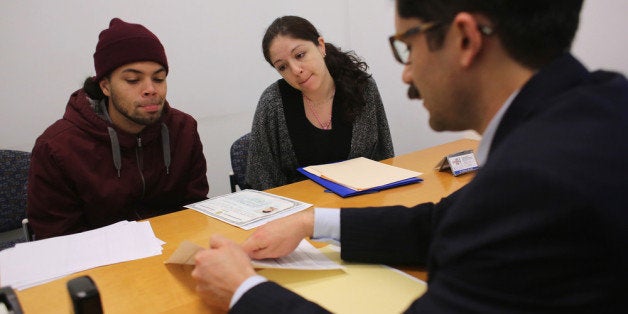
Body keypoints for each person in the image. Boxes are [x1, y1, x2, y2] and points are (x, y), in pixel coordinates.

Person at [193, 1, 628, 313]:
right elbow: (444, 223)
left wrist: (242, 291)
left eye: (407, 47)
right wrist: (312, 222)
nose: (406, 72)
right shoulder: (598, 106)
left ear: (464, 38)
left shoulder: (531, 181)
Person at [27, 18, 209, 239]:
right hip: (101, 265)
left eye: (159, 78)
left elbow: (195, 209)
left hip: (175, 252)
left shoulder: (183, 129)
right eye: (133, 80)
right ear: (105, 86)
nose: (151, 89)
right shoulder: (57, 148)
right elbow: (58, 239)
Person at [245, 15, 394, 190]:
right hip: (299, 212)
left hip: (361, 207)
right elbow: (260, 180)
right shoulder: (272, 102)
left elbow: (384, 158)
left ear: (320, 46)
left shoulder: (362, 87)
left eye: (300, 55)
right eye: (282, 67)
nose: (296, 70)